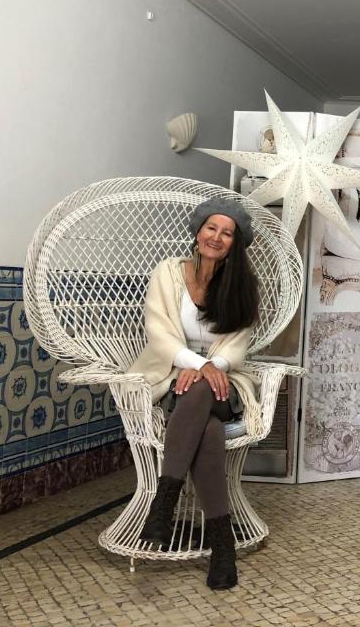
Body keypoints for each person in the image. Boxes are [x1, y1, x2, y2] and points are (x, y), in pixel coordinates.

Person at [130, 197, 261, 590]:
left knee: (203, 387)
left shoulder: (241, 285)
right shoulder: (168, 273)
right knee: (208, 432)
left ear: (235, 243)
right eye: (211, 228)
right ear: (198, 230)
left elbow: (237, 344)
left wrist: (210, 367)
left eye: (227, 233)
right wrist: (193, 363)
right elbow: (159, 333)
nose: (216, 237)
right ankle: (223, 548)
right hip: (171, 374)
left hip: (223, 381)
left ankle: (163, 504)